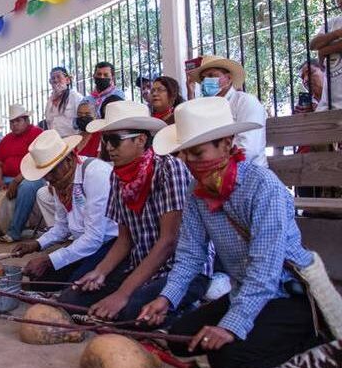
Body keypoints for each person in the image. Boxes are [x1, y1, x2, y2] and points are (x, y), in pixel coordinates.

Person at [139, 96, 335, 368]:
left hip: (287, 295)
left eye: (198, 153)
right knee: (181, 340)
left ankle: (312, 339)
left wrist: (232, 324)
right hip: (244, 290)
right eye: (185, 155)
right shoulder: (197, 192)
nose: (190, 164)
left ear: (227, 144)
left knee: (228, 360)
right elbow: (190, 256)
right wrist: (166, 299)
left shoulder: (263, 187)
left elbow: (266, 270)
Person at [58, 100, 209, 322]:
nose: (107, 147)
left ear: (141, 140)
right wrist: (100, 271)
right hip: (140, 266)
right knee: (70, 300)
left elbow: (168, 242)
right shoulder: (117, 175)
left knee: (128, 313)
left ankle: (187, 310)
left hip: (179, 270)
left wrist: (122, 293)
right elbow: (124, 240)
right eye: (105, 140)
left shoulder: (169, 169)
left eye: (114, 141)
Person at [12, 130, 118, 289]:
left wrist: (49, 260)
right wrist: (37, 244)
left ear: (68, 159)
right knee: (38, 284)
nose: (48, 179)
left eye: (51, 171)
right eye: (44, 174)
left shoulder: (96, 174)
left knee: (73, 289)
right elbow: (62, 226)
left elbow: (94, 238)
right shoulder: (60, 182)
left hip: (110, 245)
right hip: (85, 243)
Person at [0, 104, 44, 243]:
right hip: (7, 178)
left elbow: (38, 162)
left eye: (18, 121)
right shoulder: (6, 139)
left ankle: (15, 231)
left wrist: (17, 180)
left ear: (27, 120)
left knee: (26, 187)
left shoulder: (38, 134)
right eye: (12, 122)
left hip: (31, 177)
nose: (14, 125)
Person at [187, 55, 267, 167]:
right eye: (203, 78)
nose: (206, 81)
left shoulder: (245, 102)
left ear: (229, 79)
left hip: (247, 174)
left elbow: (248, 150)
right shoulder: (206, 109)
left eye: (211, 75)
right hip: (213, 173)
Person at [36, 96, 102, 228]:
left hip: (88, 181)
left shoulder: (102, 135)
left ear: (96, 116)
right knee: (43, 194)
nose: (83, 117)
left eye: (87, 114)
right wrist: (57, 181)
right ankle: (59, 229)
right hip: (68, 180)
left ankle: (81, 229)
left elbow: (100, 163)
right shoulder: (75, 137)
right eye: (80, 115)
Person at [309, 0, 342, 110]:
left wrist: (325, 50)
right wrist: (338, 33)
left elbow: (320, 49)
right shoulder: (332, 22)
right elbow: (313, 45)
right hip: (327, 105)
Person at [44, 67, 83, 137]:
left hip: (73, 140)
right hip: (56, 142)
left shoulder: (75, 97)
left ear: (67, 80)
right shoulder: (49, 102)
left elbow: (84, 121)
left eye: (58, 77)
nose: (56, 80)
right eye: (53, 78)